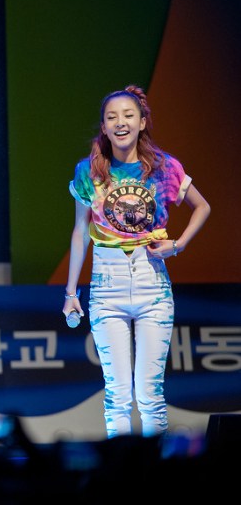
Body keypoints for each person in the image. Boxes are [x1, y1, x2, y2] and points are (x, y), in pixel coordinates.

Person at [63, 85, 210, 438]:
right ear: (104, 126)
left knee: (150, 394)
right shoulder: (89, 171)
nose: (121, 123)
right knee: (117, 395)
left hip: (152, 282)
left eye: (128, 115)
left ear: (142, 122)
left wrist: (178, 245)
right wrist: (70, 292)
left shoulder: (164, 167)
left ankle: (154, 468)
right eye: (112, 117)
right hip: (106, 284)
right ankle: (120, 468)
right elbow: (80, 232)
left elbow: (202, 207)